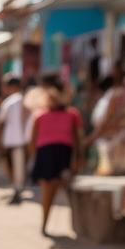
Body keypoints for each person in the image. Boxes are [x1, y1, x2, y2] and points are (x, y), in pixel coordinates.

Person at [28, 87, 83, 237]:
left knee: (62, 191)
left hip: (55, 154)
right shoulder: (41, 115)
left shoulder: (71, 114)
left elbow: (78, 140)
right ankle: (46, 225)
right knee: (54, 192)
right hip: (51, 155)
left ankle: (77, 226)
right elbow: (32, 140)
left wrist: (77, 159)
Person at [0, 76, 29, 205]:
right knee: (18, 167)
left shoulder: (9, 102)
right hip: (21, 140)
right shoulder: (25, 100)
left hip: (12, 140)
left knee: (14, 168)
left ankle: (17, 191)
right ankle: (17, 190)